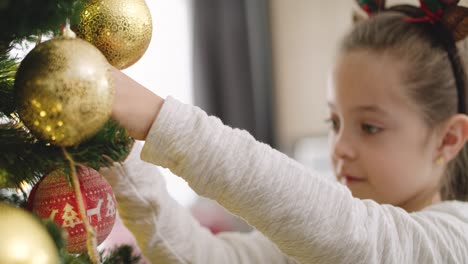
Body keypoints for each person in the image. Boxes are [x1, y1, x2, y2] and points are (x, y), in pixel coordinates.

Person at [99, 1, 468, 263]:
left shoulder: (457, 239)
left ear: (448, 139)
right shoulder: (307, 250)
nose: (340, 147)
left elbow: (357, 238)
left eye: (370, 127)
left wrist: (158, 118)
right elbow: (199, 256)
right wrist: (117, 147)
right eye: (334, 123)